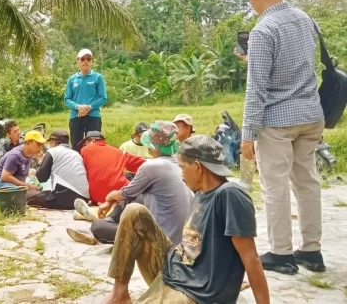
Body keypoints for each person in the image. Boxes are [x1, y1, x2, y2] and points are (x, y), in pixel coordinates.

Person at [95, 135, 270, 304]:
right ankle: (120, 296)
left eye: (182, 167)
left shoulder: (230, 194)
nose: (181, 175)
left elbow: (250, 257)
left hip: (196, 291)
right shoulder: (200, 192)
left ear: (197, 167)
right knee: (134, 211)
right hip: (173, 270)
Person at [240, 0, 326, 275]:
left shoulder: (262, 31)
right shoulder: (305, 19)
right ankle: (312, 252)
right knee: (307, 182)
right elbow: (296, 64)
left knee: (275, 186)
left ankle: (282, 254)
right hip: (311, 114)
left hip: (278, 120)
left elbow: (257, 89)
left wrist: (247, 134)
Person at [68, 122, 191, 246]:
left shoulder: (152, 166)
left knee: (98, 227)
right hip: (177, 235)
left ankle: (98, 229)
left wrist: (109, 199)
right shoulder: (178, 164)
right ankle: (109, 221)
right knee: (135, 194)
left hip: (160, 238)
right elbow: (128, 191)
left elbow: (123, 194)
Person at [27, 130, 89, 210]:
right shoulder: (76, 154)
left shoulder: (52, 151)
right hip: (84, 198)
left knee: (26, 195)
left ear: (53, 142)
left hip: (67, 198)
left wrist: (40, 161)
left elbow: (41, 178)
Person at [79, 131, 145, 206]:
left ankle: (101, 203)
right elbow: (141, 163)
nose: (84, 145)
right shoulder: (119, 152)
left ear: (92, 141)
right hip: (119, 193)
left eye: (85, 143)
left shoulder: (85, 150)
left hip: (96, 194)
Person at [65, 48, 107, 151]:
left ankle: (92, 166)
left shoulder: (98, 78)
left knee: (94, 145)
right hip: (76, 116)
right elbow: (67, 99)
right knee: (76, 145)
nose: (85, 61)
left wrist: (89, 107)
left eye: (88, 59)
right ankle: (77, 166)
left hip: (93, 116)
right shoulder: (72, 79)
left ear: (91, 61)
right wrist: (78, 107)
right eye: (83, 59)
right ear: (77, 61)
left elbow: (103, 98)